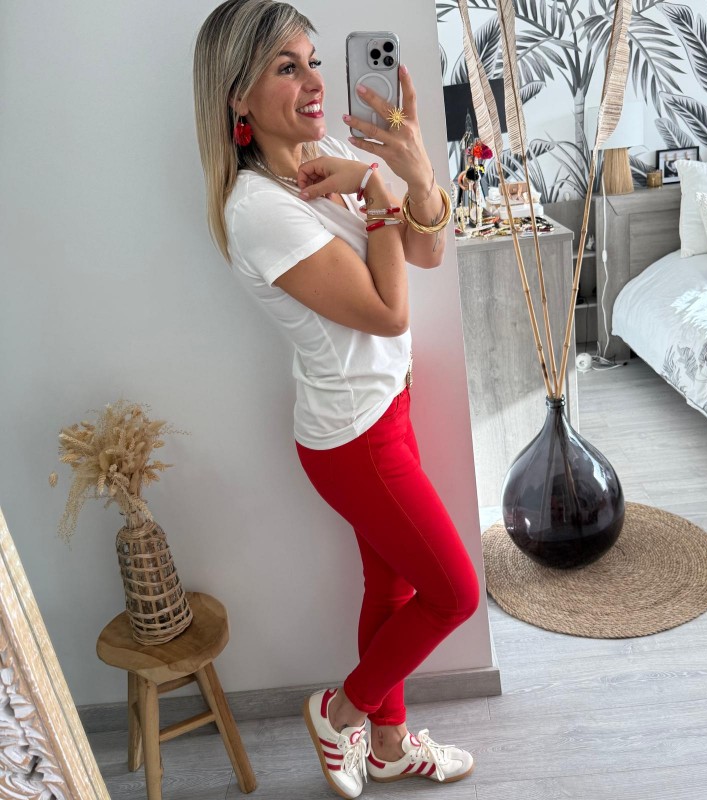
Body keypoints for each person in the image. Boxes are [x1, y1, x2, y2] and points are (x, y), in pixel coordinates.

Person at [192, 2, 480, 798]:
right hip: (354, 437)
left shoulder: (328, 157)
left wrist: (413, 171)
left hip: (387, 407)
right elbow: (389, 310)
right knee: (455, 593)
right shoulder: (258, 210)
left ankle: (388, 748)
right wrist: (378, 187)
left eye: (314, 61)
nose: (315, 82)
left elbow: (425, 253)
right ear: (238, 96)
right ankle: (340, 711)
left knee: (392, 590)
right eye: (287, 68)